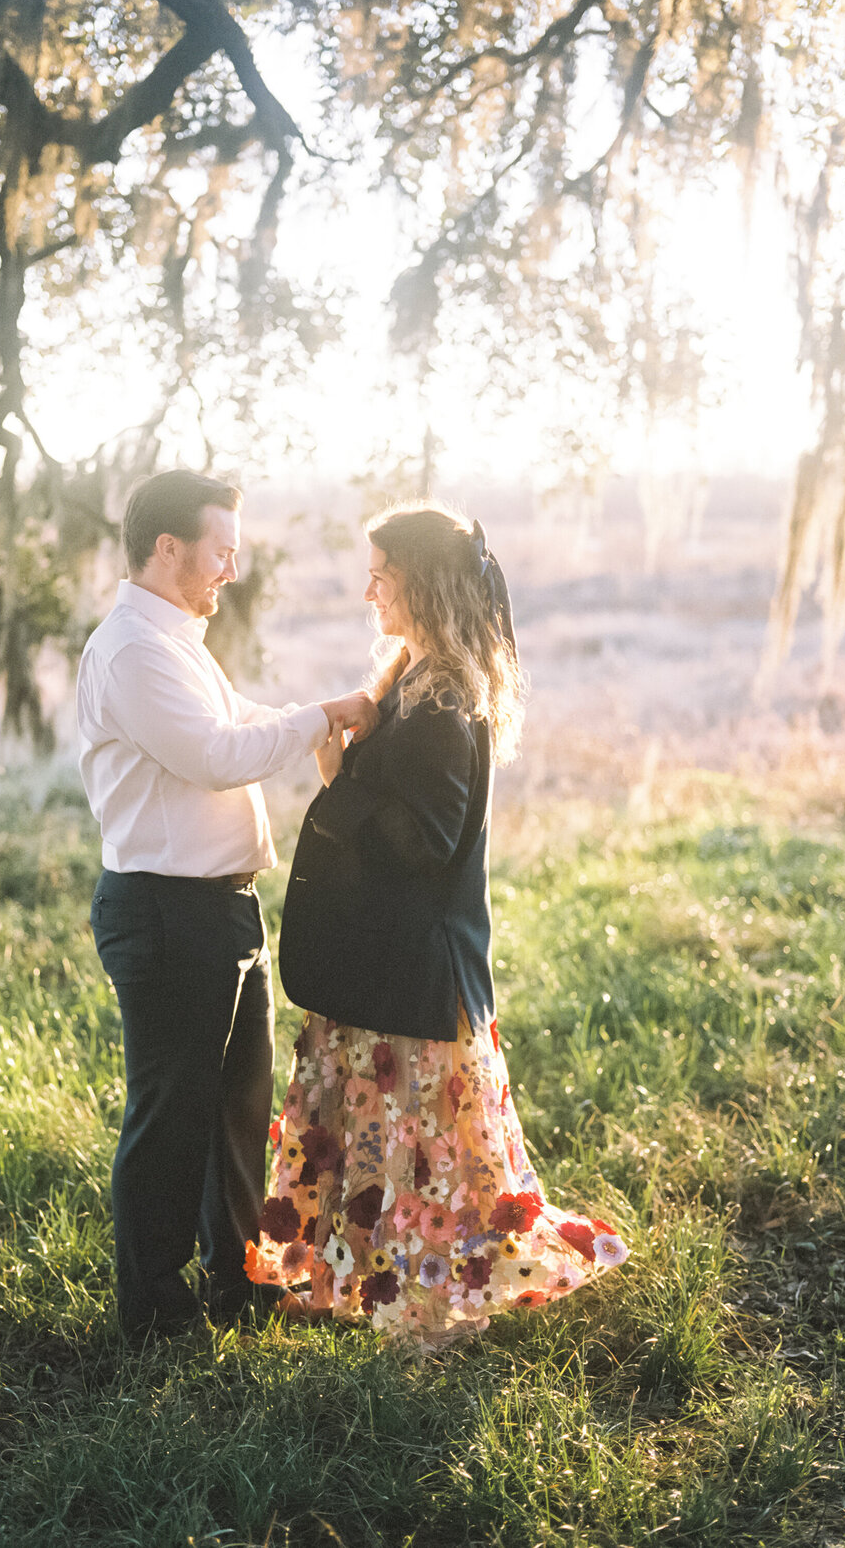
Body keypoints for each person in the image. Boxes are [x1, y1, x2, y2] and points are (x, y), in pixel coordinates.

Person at [246, 502, 629, 1344]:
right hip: (384, 963)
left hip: (415, 972)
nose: (368, 588)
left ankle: (424, 1297)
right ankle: (360, 1278)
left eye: (382, 572)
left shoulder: (444, 698)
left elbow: (428, 841)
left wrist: (340, 777)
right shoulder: (412, 677)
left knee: (422, 1150)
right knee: (384, 1139)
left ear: (420, 582)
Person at [76, 469, 378, 1342]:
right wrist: (319, 718)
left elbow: (240, 714)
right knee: (172, 1113)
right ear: (168, 548)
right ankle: (155, 1312)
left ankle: (235, 1280)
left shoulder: (175, 638)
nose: (231, 571)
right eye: (221, 551)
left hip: (218, 910)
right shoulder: (133, 650)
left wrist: (317, 715)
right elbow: (213, 752)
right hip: (166, 912)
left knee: (240, 1106)